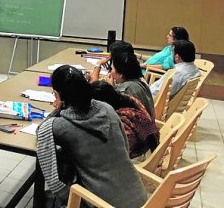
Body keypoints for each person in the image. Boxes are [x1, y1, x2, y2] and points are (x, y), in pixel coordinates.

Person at [37, 65, 147, 208]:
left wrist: (58, 108)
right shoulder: (106, 108)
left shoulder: (58, 126)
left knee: (47, 199)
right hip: (141, 198)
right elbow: (125, 148)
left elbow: (55, 183)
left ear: (58, 95)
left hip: (104, 204)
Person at [91, 80, 159, 159]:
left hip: (135, 160)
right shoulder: (127, 100)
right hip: (147, 148)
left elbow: (119, 152)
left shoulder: (121, 121)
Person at [110, 51, 155, 120]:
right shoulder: (141, 82)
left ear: (121, 74)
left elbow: (112, 113)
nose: (110, 72)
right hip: (148, 126)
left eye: (112, 69)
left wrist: (110, 88)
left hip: (138, 128)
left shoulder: (125, 91)